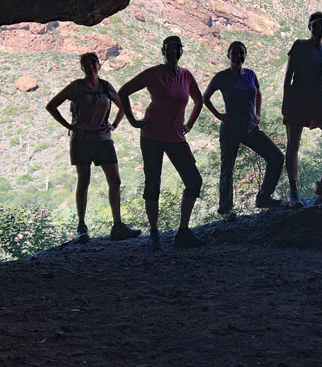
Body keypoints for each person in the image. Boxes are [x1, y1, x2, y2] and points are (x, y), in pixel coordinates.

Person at [118, 36, 205, 249]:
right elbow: (123, 91)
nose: (174, 52)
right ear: (163, 51)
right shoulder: (153, 73)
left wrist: (189, 124)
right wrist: (132, 121)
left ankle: (183, 231)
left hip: (176, 137)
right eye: (170, 48)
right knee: (153, 182)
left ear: (181, 52)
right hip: (152, 137)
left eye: (177, 48)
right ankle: (154, 233)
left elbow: (199, 100)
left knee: (194, 181)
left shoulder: (186, 76)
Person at [45, 52, 141, 243]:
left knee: (115, 180)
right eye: (86, 64)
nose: (90, 67)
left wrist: (114, 124)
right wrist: (70, 126)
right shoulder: (76, 87)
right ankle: (82, 226)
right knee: (84, 180)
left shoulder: (105, 86)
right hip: (82, 139)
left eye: (93, 63)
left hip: (103, 137)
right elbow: (51, 106)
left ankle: (118, 225)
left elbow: (123, 106)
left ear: (99, 65)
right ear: (81, 67)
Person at [203, 41, 284, 220]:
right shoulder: (221, 77)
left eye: (241, 53)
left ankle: (264, 197)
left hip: (250, 128)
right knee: (227, 169)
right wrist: (219, 115)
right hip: (230, 129)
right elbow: (205, 97)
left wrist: (258, 114)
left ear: (245, 55)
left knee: (276, 157)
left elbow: (259, 93)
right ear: (228, 55)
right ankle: (226, 210)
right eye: (234, 53)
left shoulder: (251, 75)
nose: (238, 56)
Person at [282, 11, 322, 205]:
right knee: (293, 146)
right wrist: (286, 104)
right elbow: (288, 76)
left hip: (320, 101)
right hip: (298, 101)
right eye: (317, 24)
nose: (321, 28)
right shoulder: (299, 45)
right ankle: (293, 192)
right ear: (310, 26)